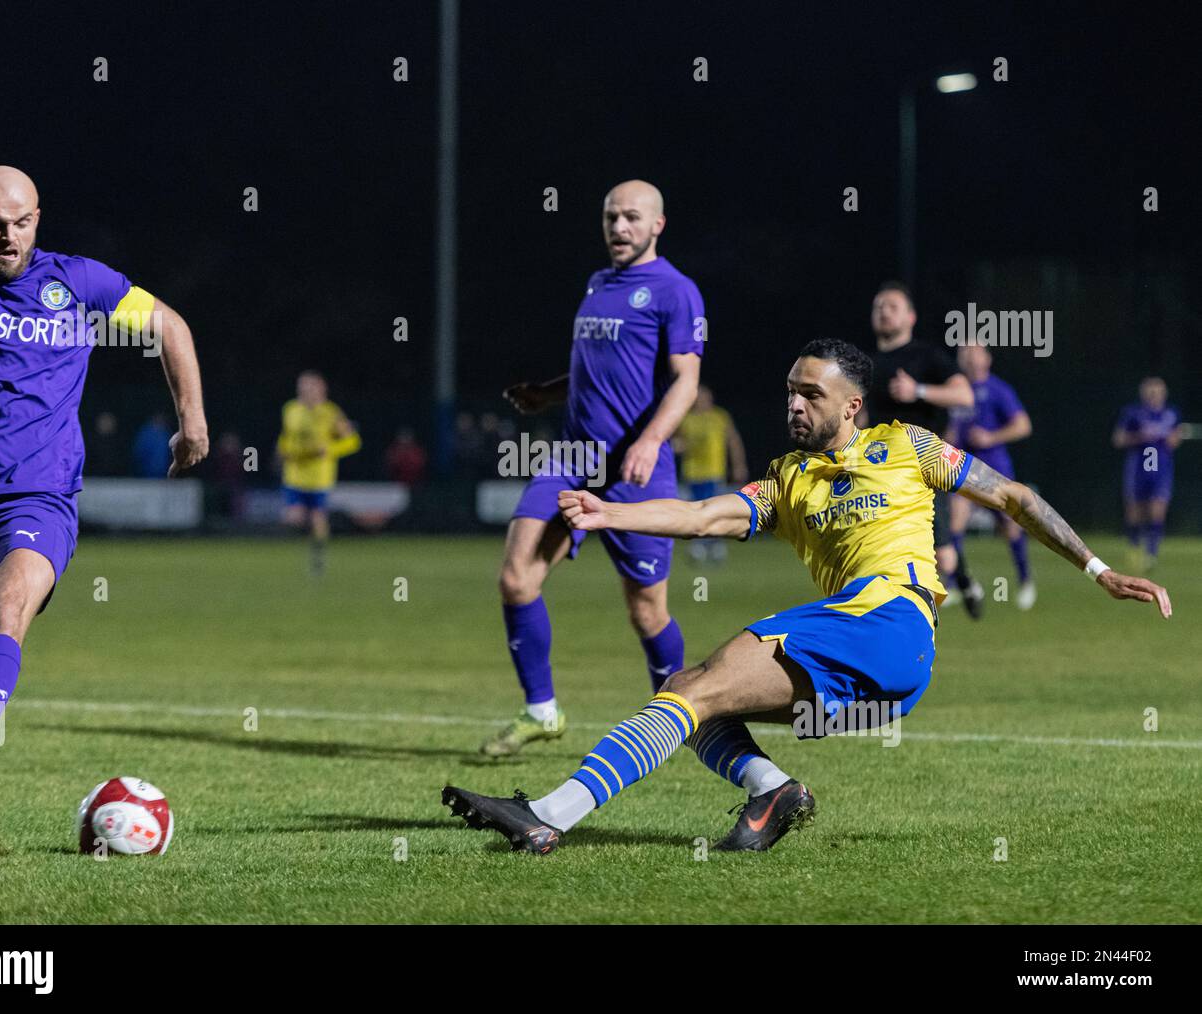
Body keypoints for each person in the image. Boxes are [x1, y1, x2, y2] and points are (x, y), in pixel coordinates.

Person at [442, 339, 1170, 854]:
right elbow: (706, 516)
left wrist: (1096, 568)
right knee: (690, 695)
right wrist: (611, 513)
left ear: (852, 405)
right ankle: (774, 791)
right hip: (881, 679)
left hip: (888, 624)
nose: (793, 401)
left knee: (691, 692)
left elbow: (1013, 494)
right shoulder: (790, 476)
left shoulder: (908, 447)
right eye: (790, 389)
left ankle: (546, 816)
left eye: (809, 393)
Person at [0, 8, 208, 819]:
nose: (8, 236)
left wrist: (193, 420)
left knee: (9, 606)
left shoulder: (81, 284)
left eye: (22, 222)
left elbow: (170, 325)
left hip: (38, 503)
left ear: (40, 218)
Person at [482, 179, 704, 757]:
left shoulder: (675, 292)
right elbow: (598, 371)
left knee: (646, 609)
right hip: (573, 459)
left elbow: (685, 379)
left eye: (631, 217)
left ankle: (678, 714)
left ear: (657, 224)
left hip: (635, 471)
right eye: (610, 217)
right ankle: (542, 711)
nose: (618, 227)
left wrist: (652, 440)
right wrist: (548, 394)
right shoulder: (598, 283)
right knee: (516, 577)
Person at [863, 281, 981, 617]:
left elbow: (964, 396)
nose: (884, 311)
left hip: (924, 465)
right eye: (878, 306)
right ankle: (898, 615)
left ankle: (961, 578)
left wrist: (919, 390)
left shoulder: (926, 356)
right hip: (880, 469)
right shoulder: (866, 364)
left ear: (910, 317)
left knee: (942, 555)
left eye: (892, 306)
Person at [946, 342, 1036, 609]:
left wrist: (991, 437)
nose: (969, 357)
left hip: (994, 472)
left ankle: (1025, 581)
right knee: (953, 526)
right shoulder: (955, 389)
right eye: (964, 352)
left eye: (974, 351)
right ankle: (954, 585)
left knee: (1010, 526)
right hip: (962, 470)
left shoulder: (998, 390)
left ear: (987, 358)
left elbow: (1023, 425)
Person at [276, 370, 360, 575]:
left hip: (319, 477)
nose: (304, 391)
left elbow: (353, 441)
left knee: (317, 519)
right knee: (293, 517)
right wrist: (283, 449)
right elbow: (286, 437)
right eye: (301, 387)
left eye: (309, 387)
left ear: (321, 389)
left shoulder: (331, 413)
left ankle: (317, 558)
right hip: (294, 474)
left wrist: (331, 450)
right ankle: (290, 557)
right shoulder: (291, 409)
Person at [1113, 377, 1183, 571]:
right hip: (1138, 468)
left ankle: (1151, 554)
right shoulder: (1133, 413)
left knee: (1157, 510)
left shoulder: (1171, 413)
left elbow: (1175, 440)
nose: (1154, 395)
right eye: (1150, 392)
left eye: (1157, 391)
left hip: (1161, 469)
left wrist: (1173, 437)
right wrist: (1139, 437)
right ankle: (1134, 549)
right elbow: (1118, 439)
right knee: (1135, 512)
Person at [674, 385, 748, 562]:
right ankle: (704, 545)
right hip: (692, 473)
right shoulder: (686, 418)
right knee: (695, 510)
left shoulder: (719, 417)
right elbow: (677, 442)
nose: (701, 401)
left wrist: (739, 465)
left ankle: (710, 546)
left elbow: (733, 441)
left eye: (704, 397)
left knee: (713, 510)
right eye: (698, 398)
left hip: (713, 472)